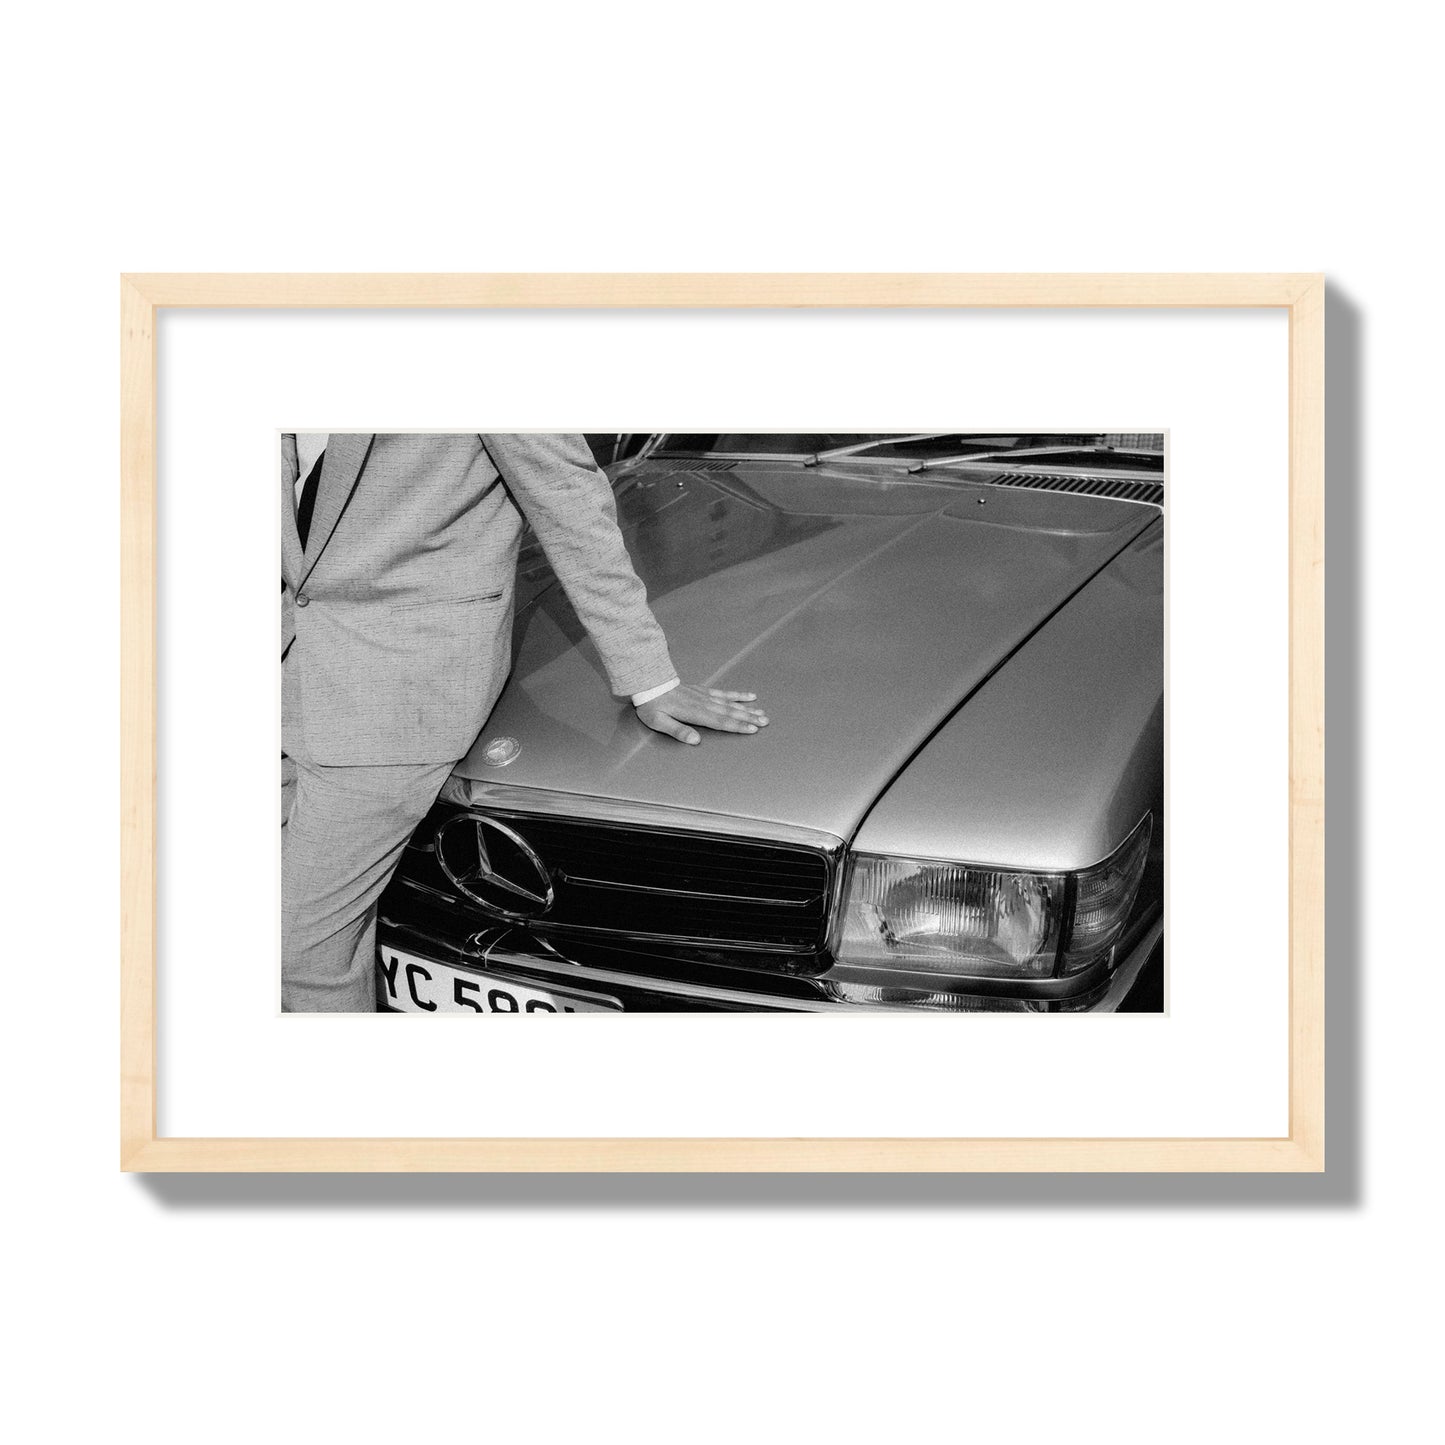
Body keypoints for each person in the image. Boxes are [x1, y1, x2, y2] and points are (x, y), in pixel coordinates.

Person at [281, 432, 767, 1012]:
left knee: (298, 949)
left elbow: (567, 498)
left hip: (398, 687)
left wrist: (651, 679)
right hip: (290, 664)